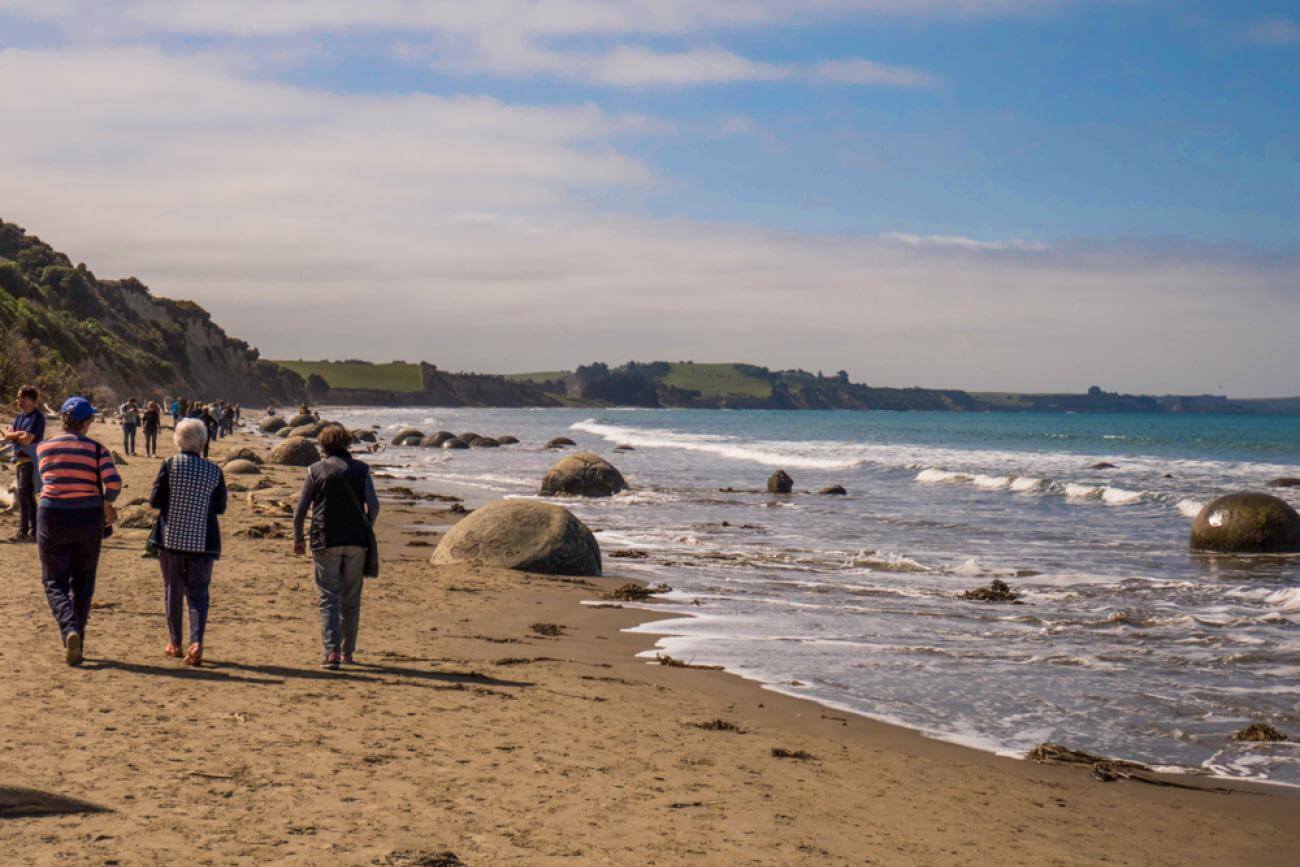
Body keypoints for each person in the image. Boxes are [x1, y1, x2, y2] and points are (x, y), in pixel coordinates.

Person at [34, 397, 121, 666]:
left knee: (53, 581)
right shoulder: (97, 449)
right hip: (88, 517)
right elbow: (114, 483)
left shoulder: (44, 448)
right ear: (87, 422)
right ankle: (78, 638)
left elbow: (41, 484)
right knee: (83, 583)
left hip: (52, 515)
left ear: (62, 419)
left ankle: (68, 629)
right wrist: (106, 502)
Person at [292, 424, 380, 669]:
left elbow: (300, 512)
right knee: (351, 597)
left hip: (325, 539)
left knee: (329, 596)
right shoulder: (362, 470)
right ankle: (348, 652)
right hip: (356, 541)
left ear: (323, 445)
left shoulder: (315, 470)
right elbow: (374, 506)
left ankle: (331, 652)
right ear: (347, 443)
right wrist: (367, 526)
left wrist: (298, 539)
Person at [149, 418, 226, 666]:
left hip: (171, 539)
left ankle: (175, 642)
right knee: (198, 594)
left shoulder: (169, 465)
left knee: (173, 590)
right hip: (203, 542)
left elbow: (155, 500)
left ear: (177, 440)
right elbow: (220, 507)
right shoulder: (214, 471)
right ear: (202, 443)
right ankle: (196, 642)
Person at [3, 385, 46, 542]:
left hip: (31, 462)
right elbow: (9, 434)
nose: (18, 400)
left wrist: (14, 435)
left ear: (30, 399)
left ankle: (25, 532)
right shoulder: (20, 417)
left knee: (25, 496)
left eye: (20, 397)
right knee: (26, 496)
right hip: (20, 461)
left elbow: (26, 439)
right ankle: (33, 532)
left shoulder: (37, 418)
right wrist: (17, 434)